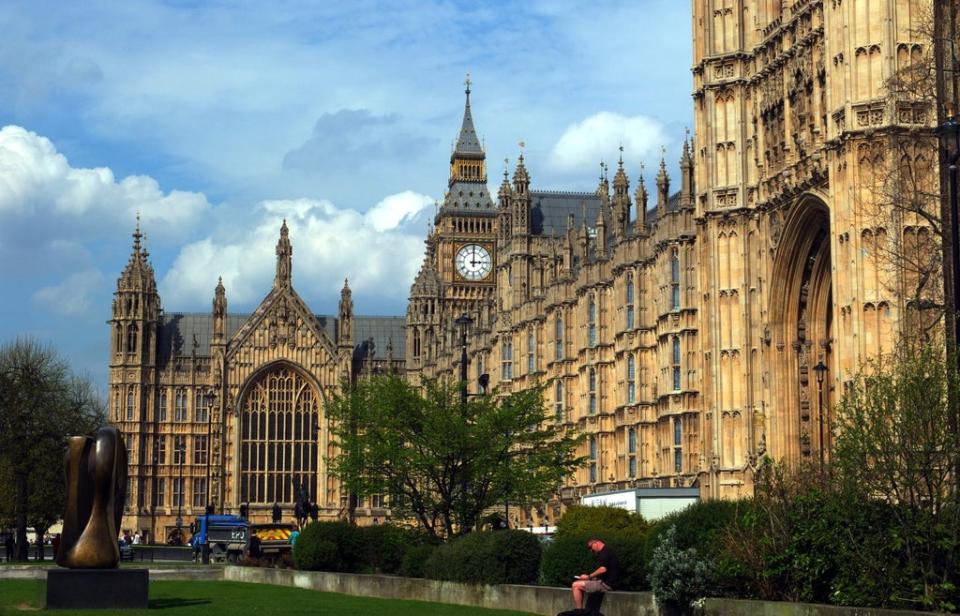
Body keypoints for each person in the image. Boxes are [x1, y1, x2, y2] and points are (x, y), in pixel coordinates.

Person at [569, 538, 622, 612]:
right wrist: (588, 578)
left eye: (590, 548)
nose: (591, 551)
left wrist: (589, 576)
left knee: (575, 585)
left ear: (596, 543)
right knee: (581, 580)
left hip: (607, 584)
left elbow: (603, 569)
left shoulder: (605, 553)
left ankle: (579, 611)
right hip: (606, 582)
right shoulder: (607, 551)